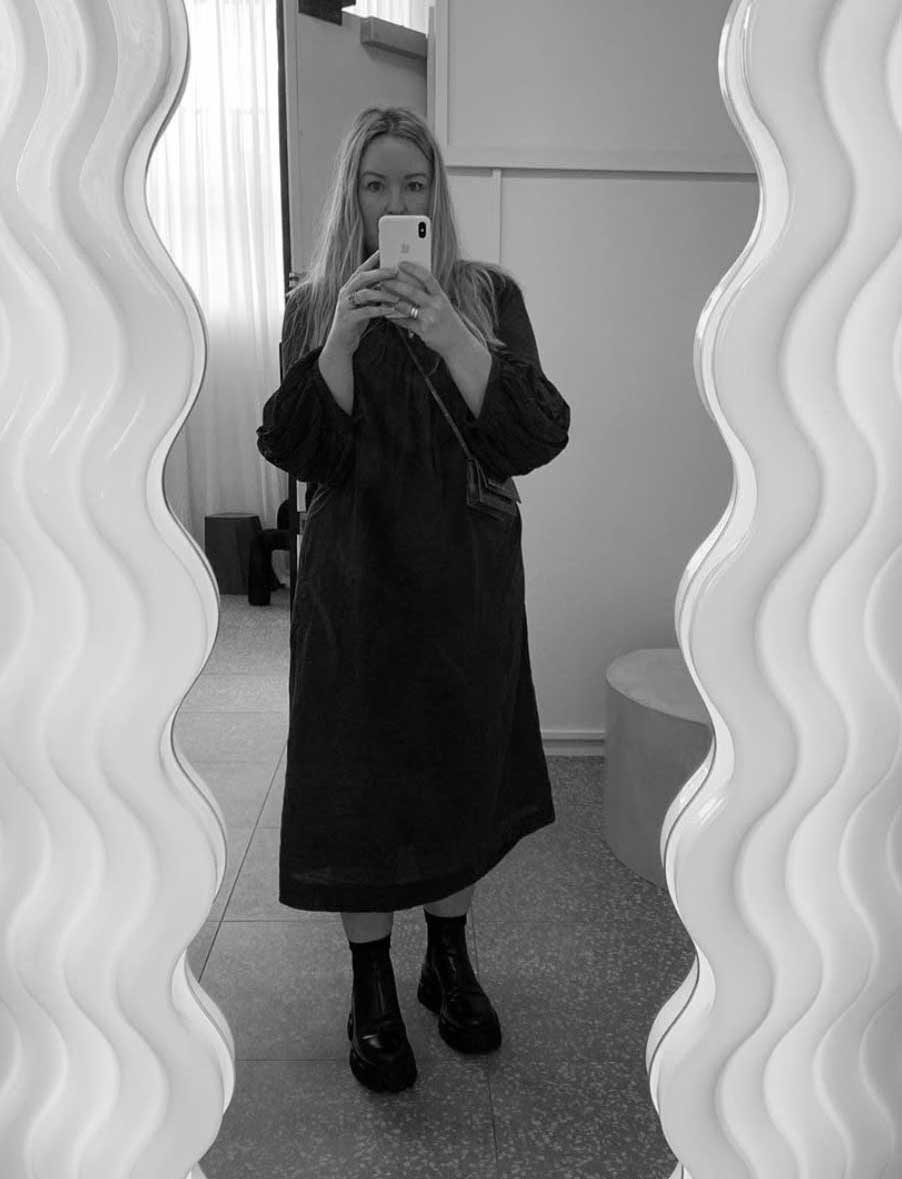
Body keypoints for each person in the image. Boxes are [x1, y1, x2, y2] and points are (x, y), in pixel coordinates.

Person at [256, 106, 570, 1094]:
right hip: (353, 580)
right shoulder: (313, 303)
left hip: (464, 578)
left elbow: (531, 435)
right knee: (356, 780)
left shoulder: (485, 294)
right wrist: (340, 340)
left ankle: (447, 959)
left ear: (436, 193)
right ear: (350, 194)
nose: (395, 201)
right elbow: (302, 451)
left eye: (414, 184)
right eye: (375, 184)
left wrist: (446, 329)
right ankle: (370, 985)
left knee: (455, 767)